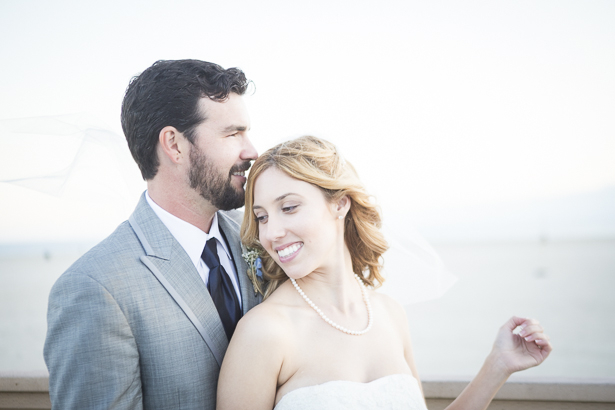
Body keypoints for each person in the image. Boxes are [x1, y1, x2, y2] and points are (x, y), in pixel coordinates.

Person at [216, 136, 552, 410]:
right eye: (261, 217)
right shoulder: (265, 332)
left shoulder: (389, 314)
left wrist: (497, 366)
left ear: (340, 204)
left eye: (288, 208)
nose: (272, 233)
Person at [44, 59, 260, 409]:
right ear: (174, 145)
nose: (251, 151)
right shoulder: (94, 287)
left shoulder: (262, 238)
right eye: (233, 133)